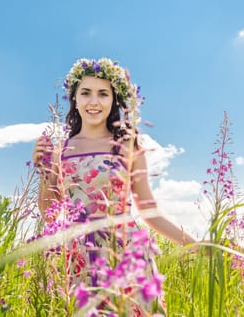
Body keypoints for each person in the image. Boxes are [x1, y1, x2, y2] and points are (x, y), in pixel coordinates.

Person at [32, 58, 196, 315]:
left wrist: (192, 243)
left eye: (103, 94)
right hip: (80, 260)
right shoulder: (61, 150)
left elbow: (148, 209)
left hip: (127, 255)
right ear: (74, 98)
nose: (94, 101)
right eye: (85, 93)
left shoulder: (129, 145)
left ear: (114, 100)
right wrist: (44, 168)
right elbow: (49, 212)